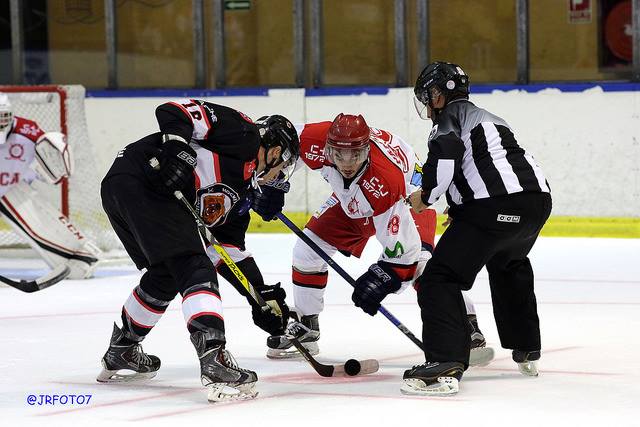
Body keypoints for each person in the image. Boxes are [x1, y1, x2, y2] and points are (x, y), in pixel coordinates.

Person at [97, 99, 298, 402]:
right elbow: (173, 110)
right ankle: (214, 359)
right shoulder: (244, 133)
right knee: (194, 265)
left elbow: (226, 250)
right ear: (273, 151)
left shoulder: (241, 196)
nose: (280, 173)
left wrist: (259, 295)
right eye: (283, 164)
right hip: (140, 175)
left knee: (166, 273)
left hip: (128, 191)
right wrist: (176, 151)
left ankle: (122, 349)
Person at [265, 113, 493, 368]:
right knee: (308, 249)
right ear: (328, 147)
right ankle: (307, 326)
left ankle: (466, 324)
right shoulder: (314, 138)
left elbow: (402, 255)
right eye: (339, 155)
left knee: (422, 269)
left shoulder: (385, 181)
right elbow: (278, 141)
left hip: (407, 197)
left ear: (367, 150)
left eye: (355, 156)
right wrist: (272, 182)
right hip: (353, 199)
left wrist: (383, 278)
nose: (347, 164)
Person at [404, 62, 552, 396]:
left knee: (438, 279)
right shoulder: (490, 118)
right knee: (508, 262)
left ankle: (444, 362)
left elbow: (445, 159)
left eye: (428, 96)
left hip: (492, 207)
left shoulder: (448, 119)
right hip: (536, 205)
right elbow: (486, 165)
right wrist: (460, 209)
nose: (428, 105)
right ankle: (527, 347)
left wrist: (425, 197)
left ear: (439, 94)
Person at [0, 93, 100, 280]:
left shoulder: (27, 131)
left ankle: (80, 257)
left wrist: (49, 169)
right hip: (11, 187)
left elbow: (48, 156)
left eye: (2, 117)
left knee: (45, 227)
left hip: (11, 188)